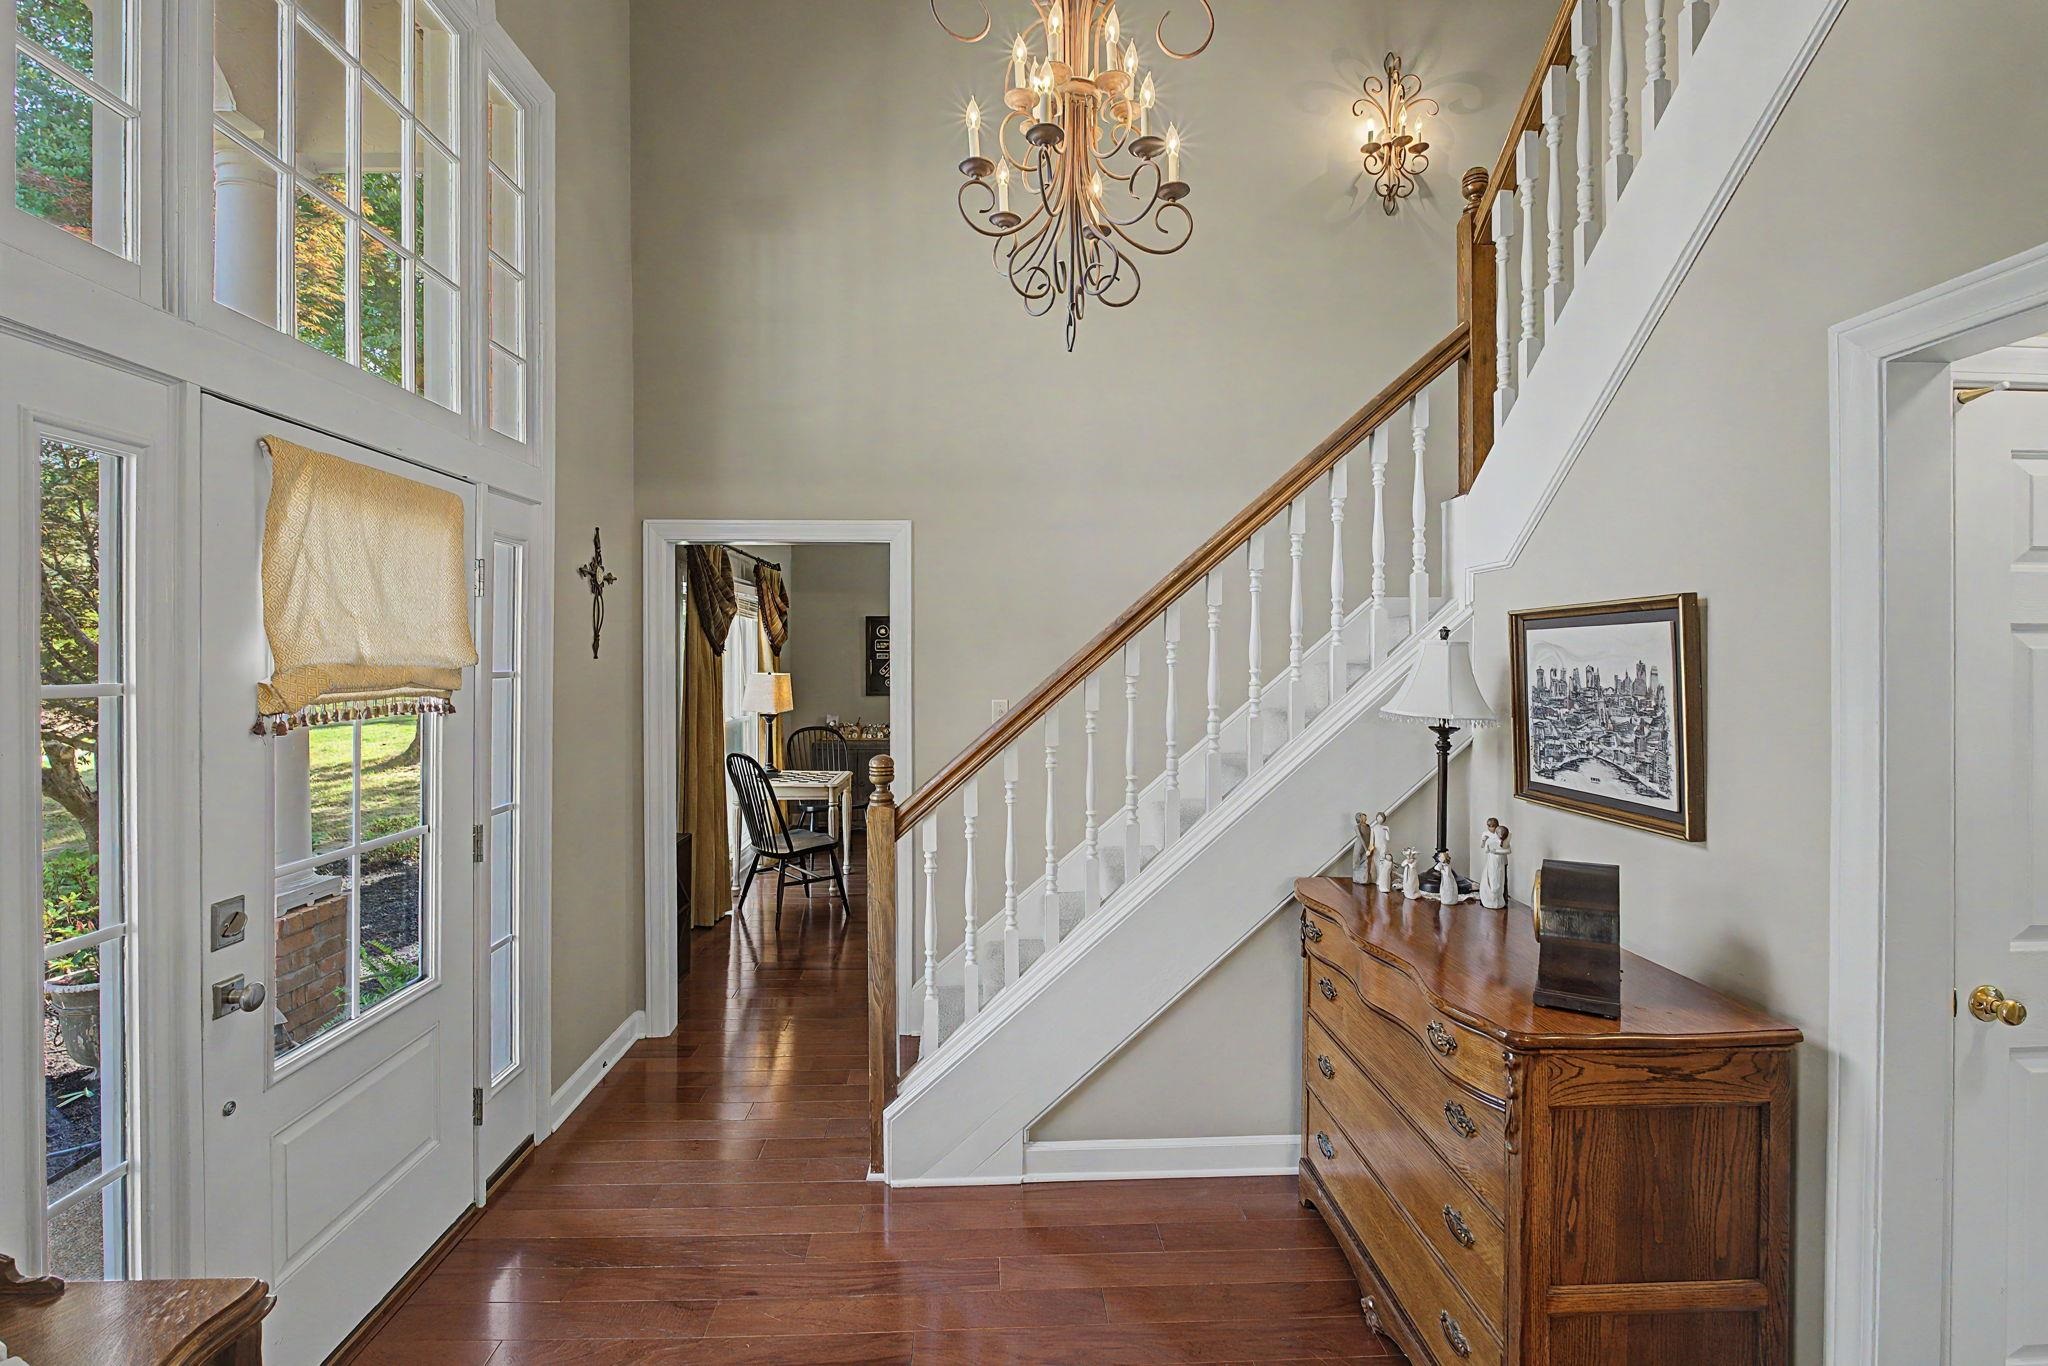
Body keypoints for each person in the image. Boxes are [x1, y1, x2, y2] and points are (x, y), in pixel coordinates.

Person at [1479, 823, 1511, 909]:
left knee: (1495, 880)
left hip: (1494, 862)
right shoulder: (1503, 842)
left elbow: (1486, 850)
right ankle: (1496, 899)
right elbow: (1508, 850)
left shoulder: (1491, 841)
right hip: (1499, 862)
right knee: (1498, 879)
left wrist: (1494, 851)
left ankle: (1494, 899)